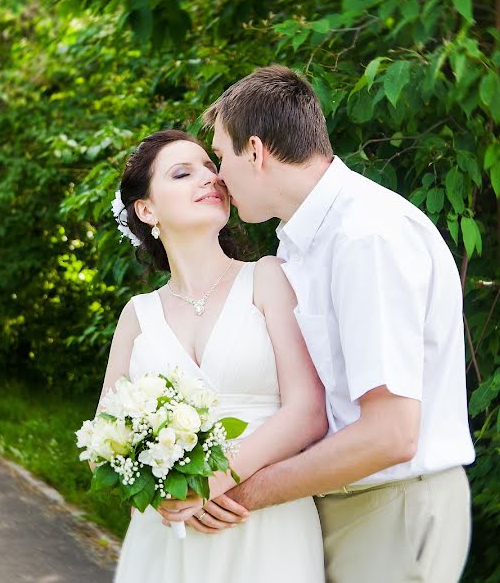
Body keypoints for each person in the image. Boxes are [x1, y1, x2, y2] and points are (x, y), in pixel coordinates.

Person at [190, 65, 477, 582]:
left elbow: (390, 434)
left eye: (220, 157)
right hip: (351, 505)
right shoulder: (303, 242)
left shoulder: (366, 237)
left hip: (393, 507)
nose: (218, 179)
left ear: (255, 152)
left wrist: (244, 493)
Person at [92, 129, 327, 583]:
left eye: (209, 166)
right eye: (183, 173)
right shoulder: (138, 316)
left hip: (266, 528)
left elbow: (308, 412)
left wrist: (212, 484)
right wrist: (161, 489)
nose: (209, 178)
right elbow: (102, 442)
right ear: (146, 209)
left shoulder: (268, 278)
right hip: (168, 535)